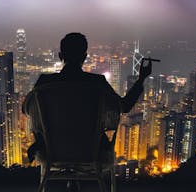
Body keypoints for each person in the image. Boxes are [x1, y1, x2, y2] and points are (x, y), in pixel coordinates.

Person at [22, 32, 152, 163]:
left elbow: (26, 109)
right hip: (92, 152)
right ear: (84, 57)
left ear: (60, 56)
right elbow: (125, 106)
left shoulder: (44, 82)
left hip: (51, 152)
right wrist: (141, 79)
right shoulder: (98, 83)